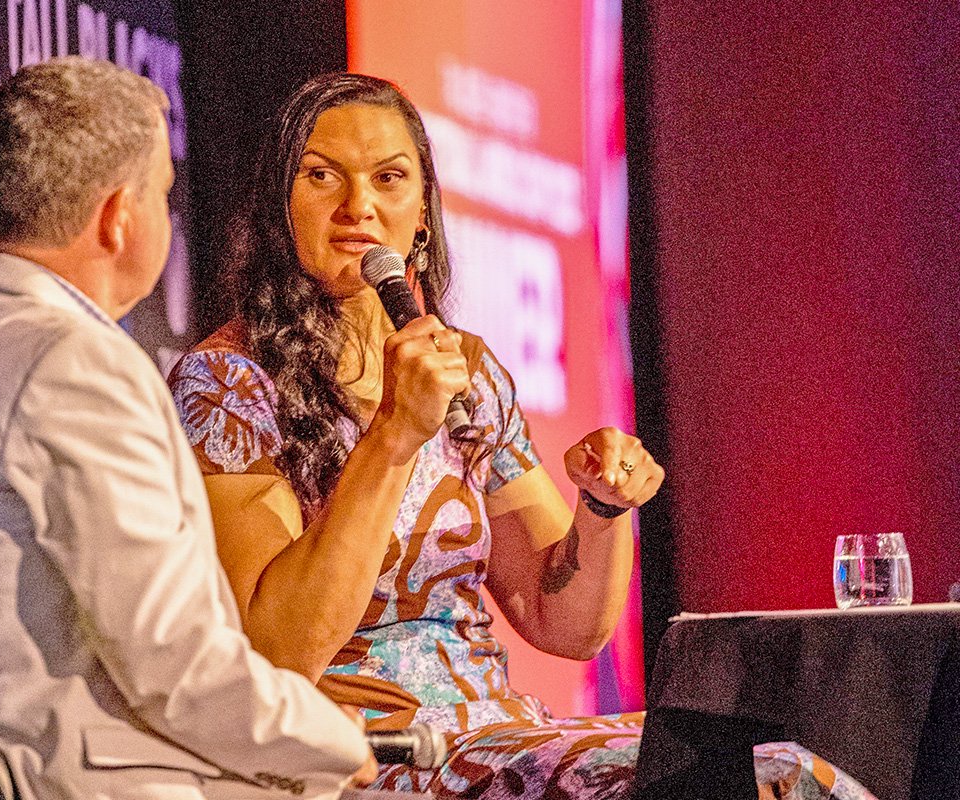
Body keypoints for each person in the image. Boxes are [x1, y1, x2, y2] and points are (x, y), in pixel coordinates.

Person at [168, 73, 876, 800]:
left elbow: (563, 622)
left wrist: (601, 506)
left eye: (389, 178)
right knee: (763, 779)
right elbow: (273, 650)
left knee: (762, 761)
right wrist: (391, 438)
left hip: (495, 732)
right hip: (363, 753)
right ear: (280, 206)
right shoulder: (228, 382)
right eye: (322, 177)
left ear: (422, 214)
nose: (360, 207)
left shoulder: (463, 369)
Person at [0, 58, 375, 800]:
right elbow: (173, 663)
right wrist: (330, 738)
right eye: (162, 195)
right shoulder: (72, 363)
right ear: (118, 217)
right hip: (62, 777)